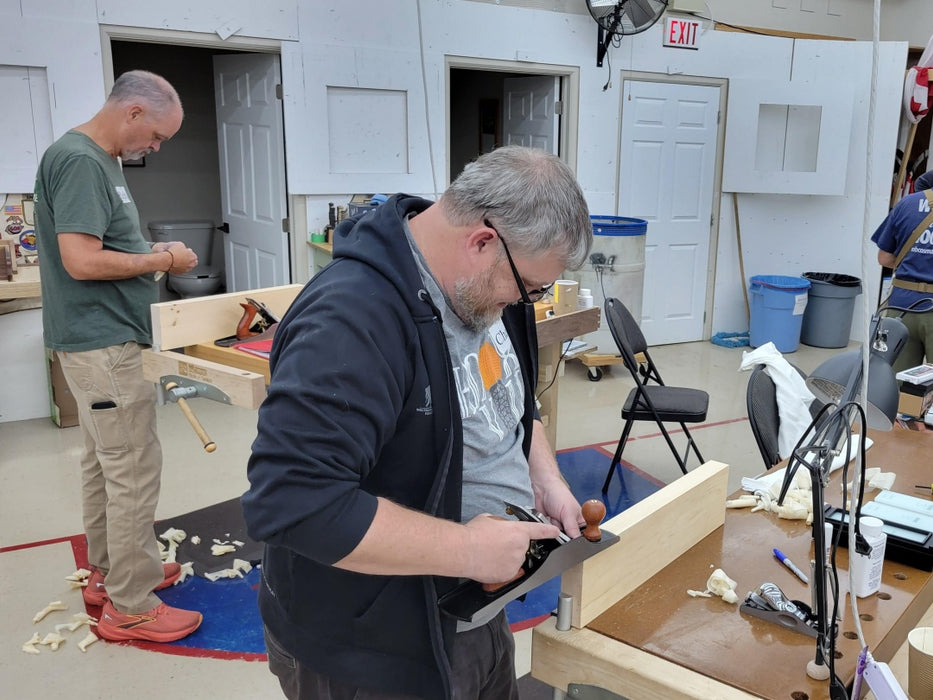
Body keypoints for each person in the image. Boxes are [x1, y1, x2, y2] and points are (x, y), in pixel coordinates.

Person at [243, 145, 593, 699]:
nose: (527, 303)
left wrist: (544, 478)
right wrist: (469, 551)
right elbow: (294, 504)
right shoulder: (352, 320)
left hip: (471, 609)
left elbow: (507, 401)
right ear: (482, 241)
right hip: (372, 646)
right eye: (530, 288)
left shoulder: (478, 289)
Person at [34, 70, 203, 643]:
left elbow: (105, 245)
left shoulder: (98, 158)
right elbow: (81, 261)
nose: (154, 148)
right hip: (101, 341)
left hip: (99, 337)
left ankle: (113, 575)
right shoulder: (82, 161)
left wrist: (148, 250)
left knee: (105, 462)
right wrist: (162, 263)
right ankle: (131, 604)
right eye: (155, 136)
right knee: (132, 468)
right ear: (132, 112)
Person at [872, 176, 933, 373]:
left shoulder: (907, 203)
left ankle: (903, 406)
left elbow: (884, 258)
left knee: (898, 382)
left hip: (901, 307)